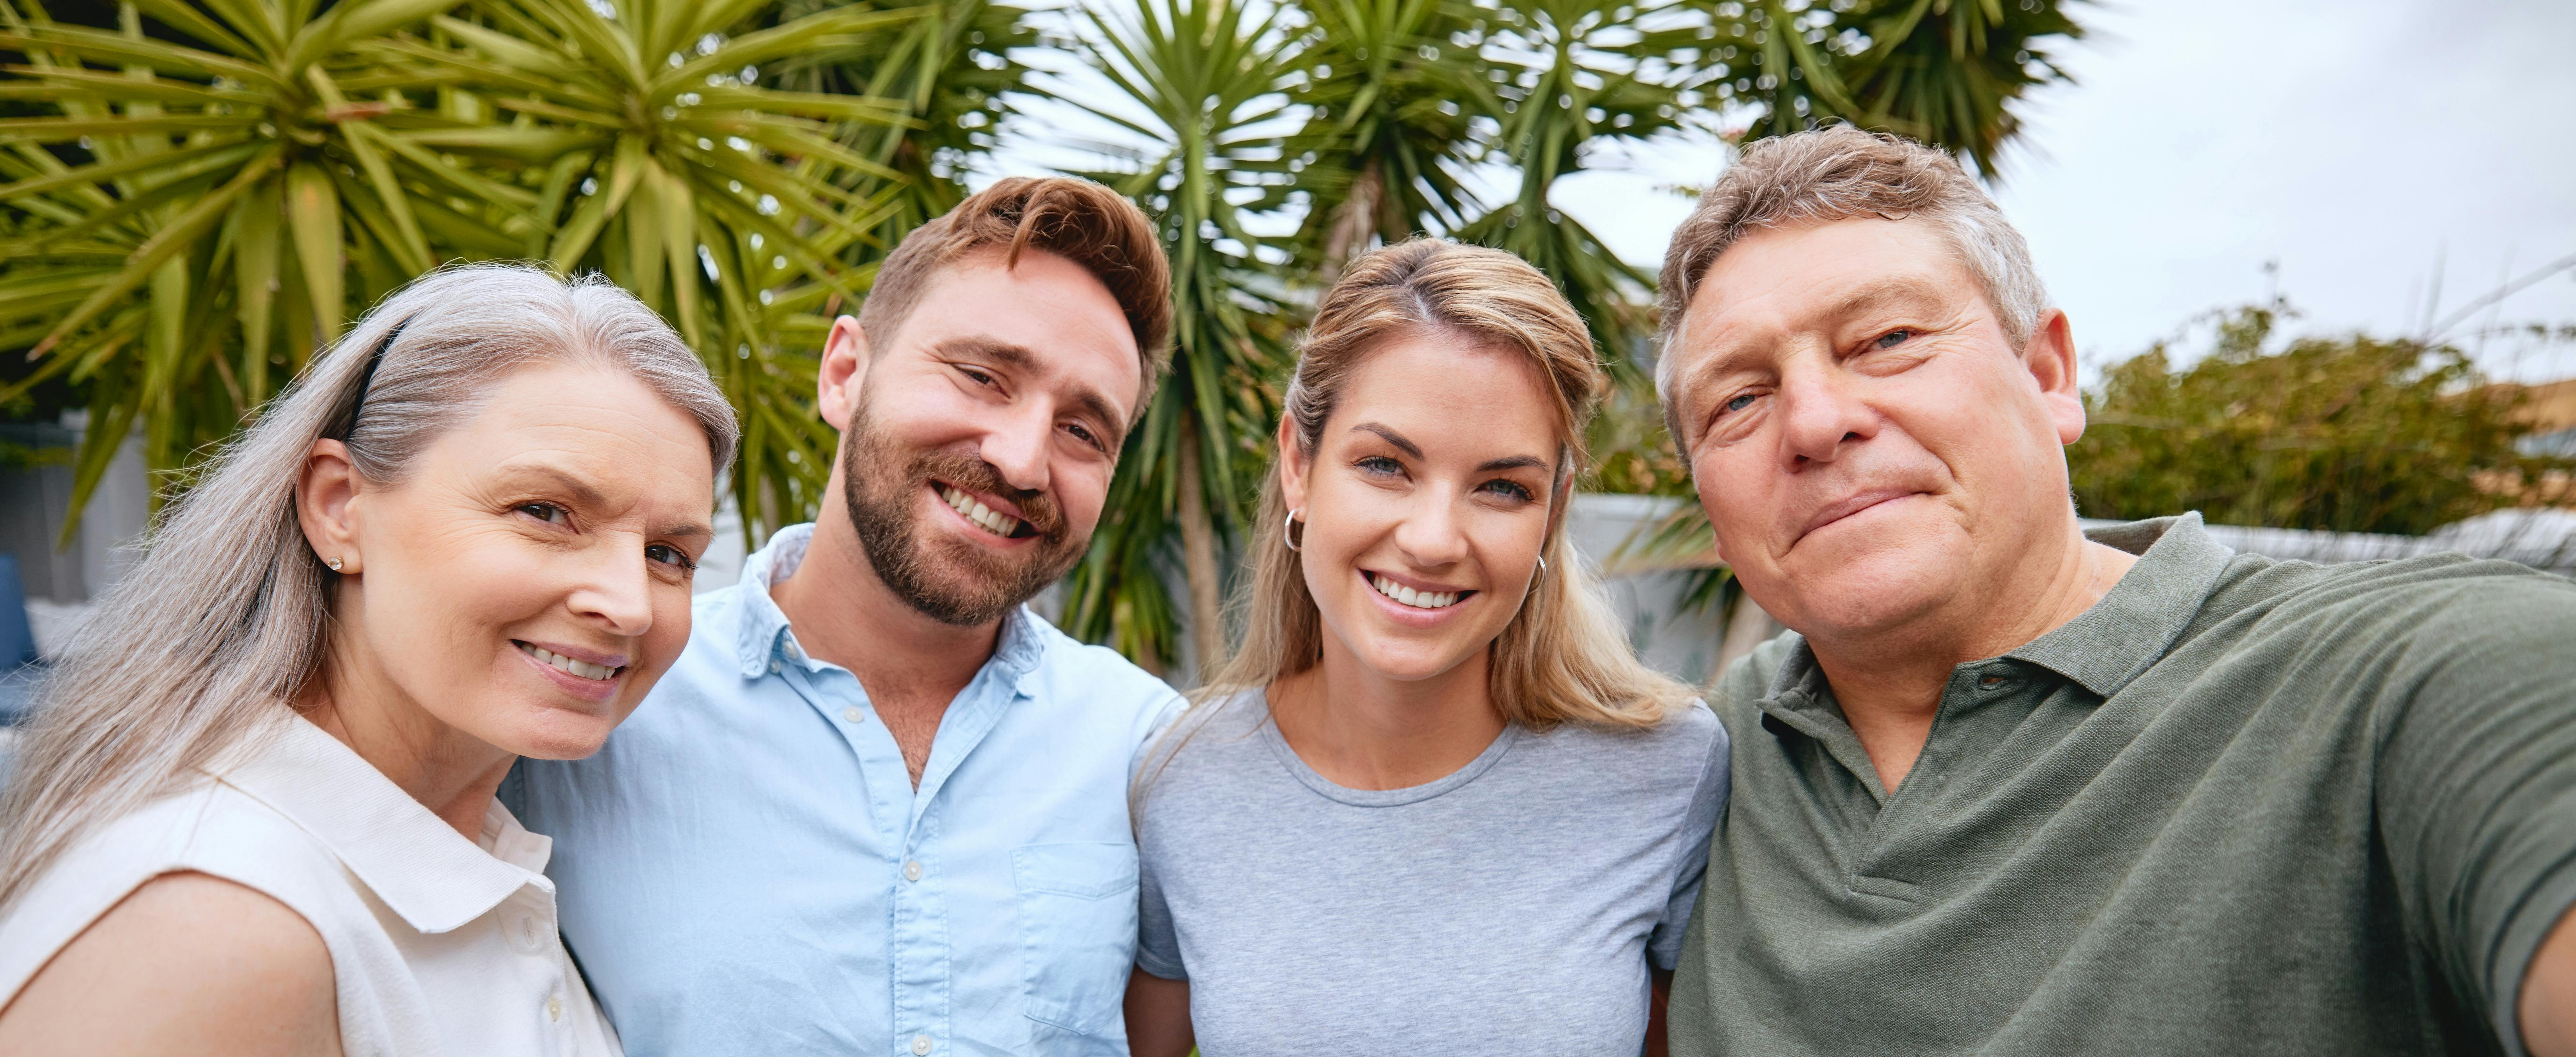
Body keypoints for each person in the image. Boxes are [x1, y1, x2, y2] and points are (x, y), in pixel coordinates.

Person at [1652, 124, 2576, 1056]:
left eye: (1888, 338)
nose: (1813, 421)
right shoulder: (1674, 766)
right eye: (1737, 399)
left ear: (2047, 374)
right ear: (1708, 503)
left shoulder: (2414, 680)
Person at [504, 177, 1182, 1057]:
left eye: (1084, 432)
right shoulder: (597, 701)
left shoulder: (1146, 757)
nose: (1023, 461)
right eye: (982, 377)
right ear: (845, 374)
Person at [0, 264, 739, 1056]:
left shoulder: (472, 848)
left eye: (668, 553)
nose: (629, 602)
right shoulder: (215, 927)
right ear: (338, 508)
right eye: (546, 512)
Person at [1123, 239, 1729, 1057]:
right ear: (1299, 466)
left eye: (1501, 487)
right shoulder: (1185, 777)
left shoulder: (1667, 768)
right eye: (1384, 465)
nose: (1434, 539)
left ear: (1550, 514)